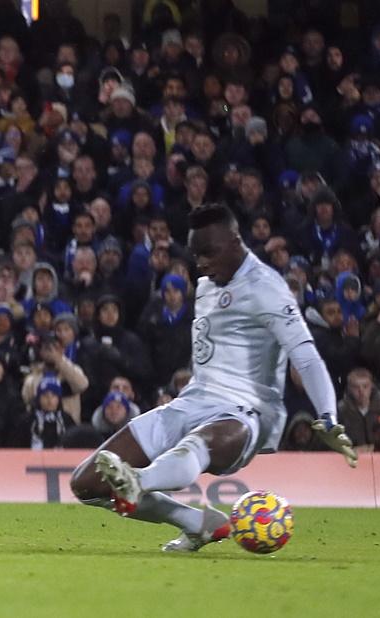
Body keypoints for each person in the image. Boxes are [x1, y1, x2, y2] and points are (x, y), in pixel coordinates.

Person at [70, 204, 356, 552]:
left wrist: (328, 414)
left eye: (209, 253)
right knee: (85, 483)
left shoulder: (267, 288)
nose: (201, 263)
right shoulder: (206, 285)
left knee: (195, 446)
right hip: (192, 402)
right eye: (195, 255)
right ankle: (195, 523)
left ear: (235, 242)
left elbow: (306, 356)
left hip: (244, 413)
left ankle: (138, 481)